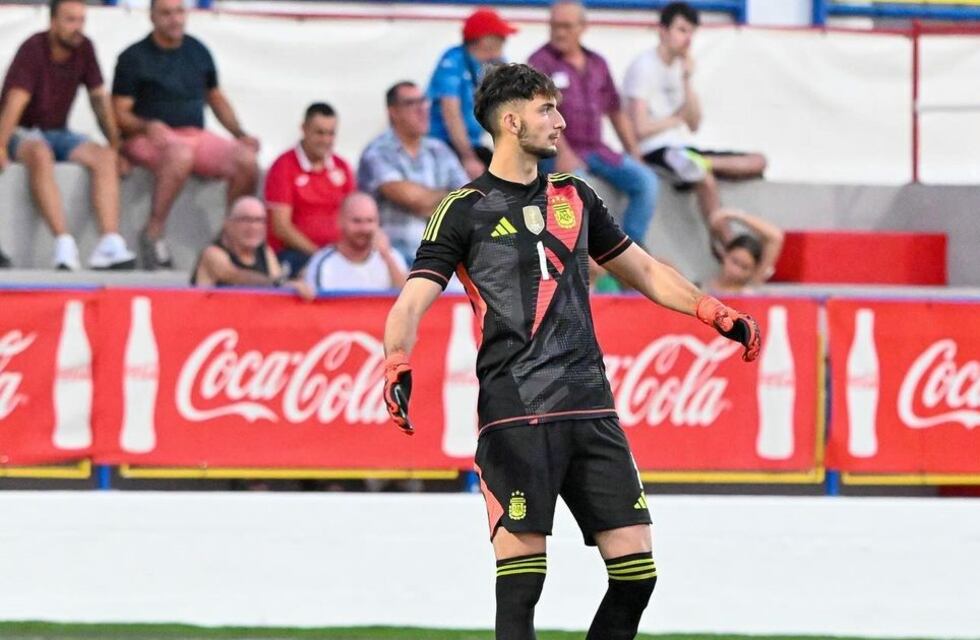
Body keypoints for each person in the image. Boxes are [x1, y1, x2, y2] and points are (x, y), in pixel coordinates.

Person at [382, 63, 760, 639]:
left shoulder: (576, 196)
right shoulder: (463, 208)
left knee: (637, 574)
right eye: (546, 110)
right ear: (510, 122)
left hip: (590, 407)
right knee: (522, 589)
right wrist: (397, 359)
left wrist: (710, 310)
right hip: (515, 414)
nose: (560, 121)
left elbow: (647, 271)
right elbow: (411, 301)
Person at [112, 0, 260, 270]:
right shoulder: (134, 57)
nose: (175, 19)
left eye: (179, 12)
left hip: (194, 133)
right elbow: (119, 112)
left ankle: (231, 237)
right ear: (152, 17)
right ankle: (153, 232)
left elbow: (215, 97)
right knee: (180, 154)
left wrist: (239, 133)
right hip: (149, 137)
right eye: (167, 13)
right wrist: (146, 126)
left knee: (246, 160)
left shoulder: (197, 50)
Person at [0, 0, 136, 270]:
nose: (77, 27)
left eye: (81, 20)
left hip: (58, 131)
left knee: (103, 156)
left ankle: (109, 241)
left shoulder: (84, 48)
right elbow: (15, 101)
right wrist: (1, 144)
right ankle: (63, 242)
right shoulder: (33, 49)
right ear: (52, 22)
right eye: (70, 20)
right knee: (39, 152)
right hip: (21, 130)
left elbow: (99, 99)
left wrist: (116, 145)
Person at [623, 1, 767, 243]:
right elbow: (640, 129)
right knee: (704, 178)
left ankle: (702, 161)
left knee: (757, 161)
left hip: (683, 148)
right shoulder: (644, 67)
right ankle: (731, 245)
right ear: (663, 31)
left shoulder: (681, 68)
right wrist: (675, 119)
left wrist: (688, 79)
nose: (687, 39)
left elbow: (693, 124)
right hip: (657, 150)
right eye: (681, 30)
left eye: (691, 32)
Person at [528, 0, 659, 248]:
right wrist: (563, 153)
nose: (559, 32)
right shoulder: (539, 62)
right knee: (574, 187)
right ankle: (583, 255)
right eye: (554, 26)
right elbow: (541, 113)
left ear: (583, 27)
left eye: (566, 26)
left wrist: (634, 152)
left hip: (597, 150)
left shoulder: (598, 63)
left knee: (647, 181)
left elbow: (616, 111)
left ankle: (631, 249)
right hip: (557, 150)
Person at [358, 81, 468, 261]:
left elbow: (468, 200)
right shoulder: (378, 152)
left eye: (423, 101)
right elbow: (414, 200)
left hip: (443, 256)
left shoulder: (439, 150)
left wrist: (434, 199)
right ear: (393, 112)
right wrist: (451, 197)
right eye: (411, 103)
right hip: (393, 258)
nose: (422, 109)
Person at [265, 102, 355, 276]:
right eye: (320, 133)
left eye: (331, 133)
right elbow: (281, 227)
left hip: (338, 254)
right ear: (304, 129)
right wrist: (320, 255)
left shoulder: (341, 166)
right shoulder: (283, 166)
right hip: (295, 254)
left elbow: (353, 213)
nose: (326, 140)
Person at [427, 7, 518, 179]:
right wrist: (468, 158)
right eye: (501, 37)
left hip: (473, 143)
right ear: (485, 41)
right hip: (445, 145)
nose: (505, 41)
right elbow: (451, 114)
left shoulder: (494, 63)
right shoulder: (452, 61)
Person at [191, 195, 313, 300]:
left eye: (259, 220)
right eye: (245, 220)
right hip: (212, 321)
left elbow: (278, 287)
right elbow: (234, 275)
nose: (253, 227)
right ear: (227, 224)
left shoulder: (265, 252)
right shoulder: (213, 253)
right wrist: (280, 284)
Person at [303, 192, 407, 293]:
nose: (364, 228)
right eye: (357, 221)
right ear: (340, 221)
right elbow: (315, 306)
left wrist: (387, 257)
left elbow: (409, 300)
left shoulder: (392, 257)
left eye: (370, 221)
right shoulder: (323, 263)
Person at [704, 208, 783, 293]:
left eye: (744, 268)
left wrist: (733, 214)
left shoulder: (750, 286)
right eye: (734, 261)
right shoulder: (704, 287)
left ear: (753, 270)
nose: (735, 271)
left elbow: (775, 237)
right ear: (725, 254)